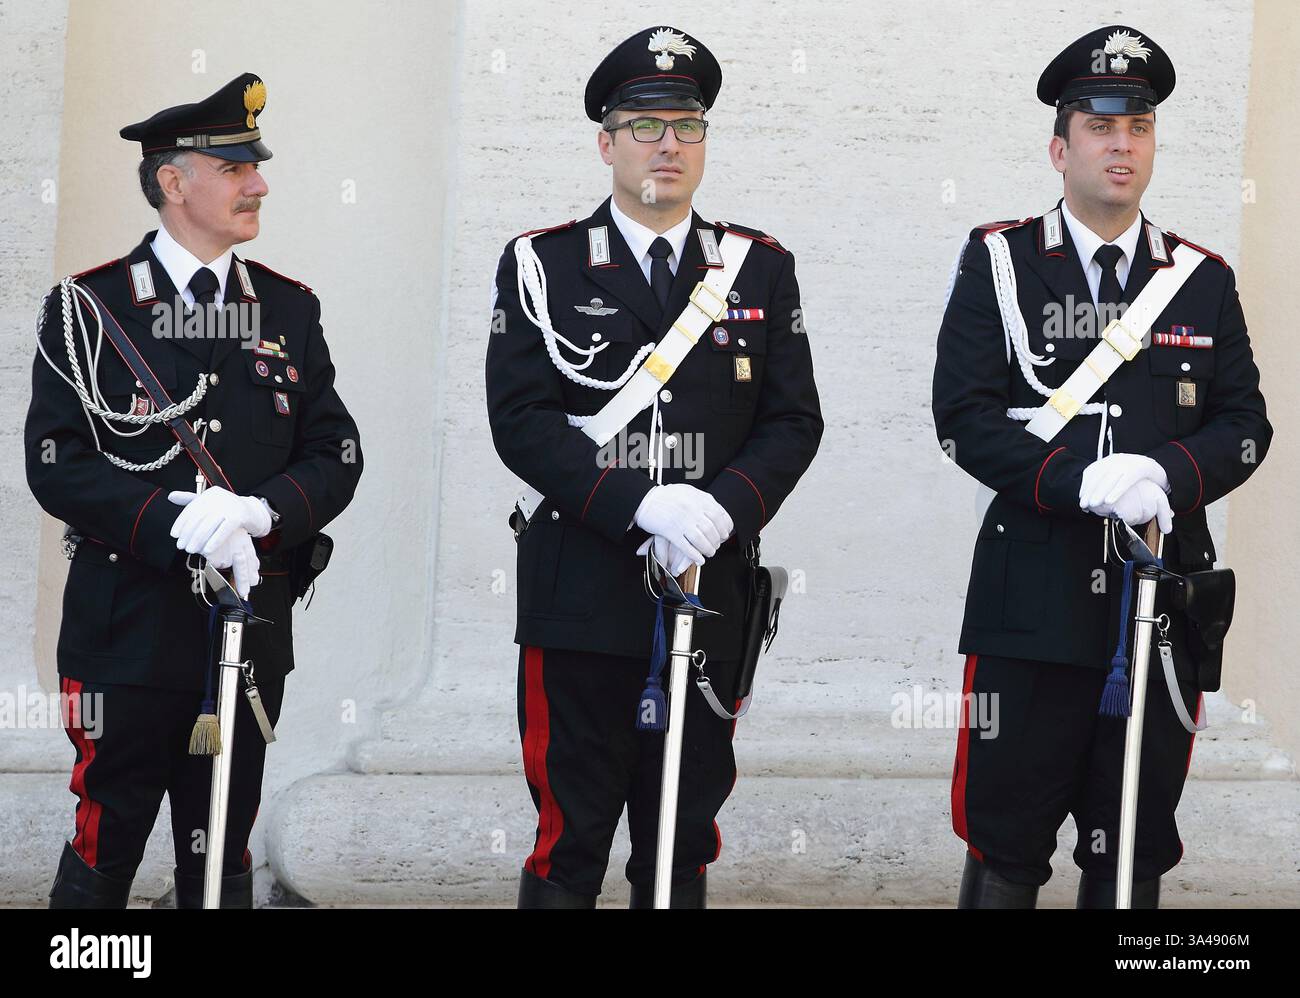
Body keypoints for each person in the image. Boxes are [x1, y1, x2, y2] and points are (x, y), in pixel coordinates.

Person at [933, 26, 1271, 907]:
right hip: (1032, 603)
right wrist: (1079, 482)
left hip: (1160, 603)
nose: (1122, 144)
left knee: (1131, 851)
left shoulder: (1200, 277)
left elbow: (1245, 424)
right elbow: (962, 420)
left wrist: (1167, 474)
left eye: (1140, 127)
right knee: (1006, 845)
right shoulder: (1001, 263)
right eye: (1100, 126)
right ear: (1060, 147)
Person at [486, 26, 823, 908]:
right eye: (645, 124)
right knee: (570, 833)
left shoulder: (759, 268)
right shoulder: (542, 263)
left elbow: (793, 420)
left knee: (681, 837)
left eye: (687, 124)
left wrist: (723, 508)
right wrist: (639, 507)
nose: (667, 144)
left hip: (711, 587)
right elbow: (521, 423)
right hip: (583, 589)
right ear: (606, 142)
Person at [26, 73, 363, 908]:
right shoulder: (89, 309)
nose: (259, 184)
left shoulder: (287, 309)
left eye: (256, 164)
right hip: (127, 627)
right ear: (173, 182)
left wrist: (261, 511)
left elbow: (339, 448)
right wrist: (170, 519)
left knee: (222, 838)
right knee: (108, 830)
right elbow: (55, 460)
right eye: (236, 167)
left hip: (247, 626)